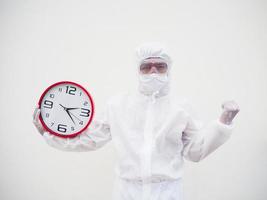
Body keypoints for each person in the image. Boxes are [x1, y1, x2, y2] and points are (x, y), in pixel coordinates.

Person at [33, 42, 240, 200]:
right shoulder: (118, 105)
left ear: (169, 69)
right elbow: (90, 139)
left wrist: (223, 122)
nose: (153, 72)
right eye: (146, 67)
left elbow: (195, 151)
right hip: (126, 191)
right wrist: (48, 133)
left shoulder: (180, 107)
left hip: (167, 192)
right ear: (137, 70)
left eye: (160, 66)